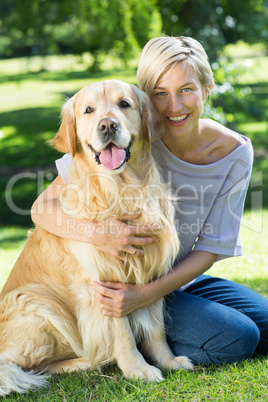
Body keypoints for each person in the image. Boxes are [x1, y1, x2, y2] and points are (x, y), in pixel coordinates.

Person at [31, 36, 268, 366]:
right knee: (239, 338)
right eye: (161, 94)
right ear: (147, 99)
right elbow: (41, 208)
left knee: (265, 326)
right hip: (133, 278)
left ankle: (145, 332)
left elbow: (211, 247)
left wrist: (143, 295)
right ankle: (135, 346)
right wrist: (98, 235)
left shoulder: (235, 151)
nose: (174, 106)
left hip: (179, 278)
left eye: (186, 89)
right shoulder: (123, 141)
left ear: (207, 87)